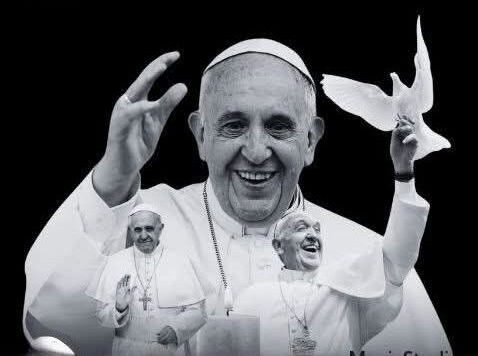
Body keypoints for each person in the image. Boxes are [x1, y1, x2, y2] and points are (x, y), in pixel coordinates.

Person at [24, 39, 452, 355]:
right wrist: (113, 180)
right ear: (200, 135)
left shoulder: (365, 254)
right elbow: (54, 327)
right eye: (233, 125)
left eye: (279, 127)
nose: (256, 150)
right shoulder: (142, 223)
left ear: (310, 141)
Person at [233, 118, 430, 355]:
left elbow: (397, 258)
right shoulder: (253, 298)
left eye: (317, 230)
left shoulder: (346, 294)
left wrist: (404, 173)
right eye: (301, 228)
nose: (312, 236)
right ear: (278, 245)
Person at [89, 203, 207, 356]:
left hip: (169, 350)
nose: (143, 236)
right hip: (127, 350)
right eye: (137, 230)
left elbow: (199, 312)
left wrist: (176, 329)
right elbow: (101, 315)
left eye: (149, 228)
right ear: (130, 231)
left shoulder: (180, 261)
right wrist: (119, 308)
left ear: (160, 228)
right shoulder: (115, 262)